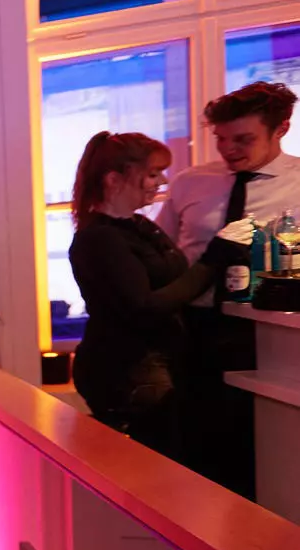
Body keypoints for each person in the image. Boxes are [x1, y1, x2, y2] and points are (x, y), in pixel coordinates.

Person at [154, 80, 300, 496]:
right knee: (194, 448)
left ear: (281, 129)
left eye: (244, 139)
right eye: (221, 139)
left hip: (268, 334)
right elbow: (163, 255)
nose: (229, 149)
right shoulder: (189, 182)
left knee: (261, 449)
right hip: (191, 328)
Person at [67, 131, 248, 457]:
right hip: (130, 371)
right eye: (152, 173)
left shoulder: (137, 226)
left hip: (153, 366)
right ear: (114, 179)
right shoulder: (101, 240)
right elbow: (146, 308)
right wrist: (214, 258)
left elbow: (174, 283)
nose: (162, 180)